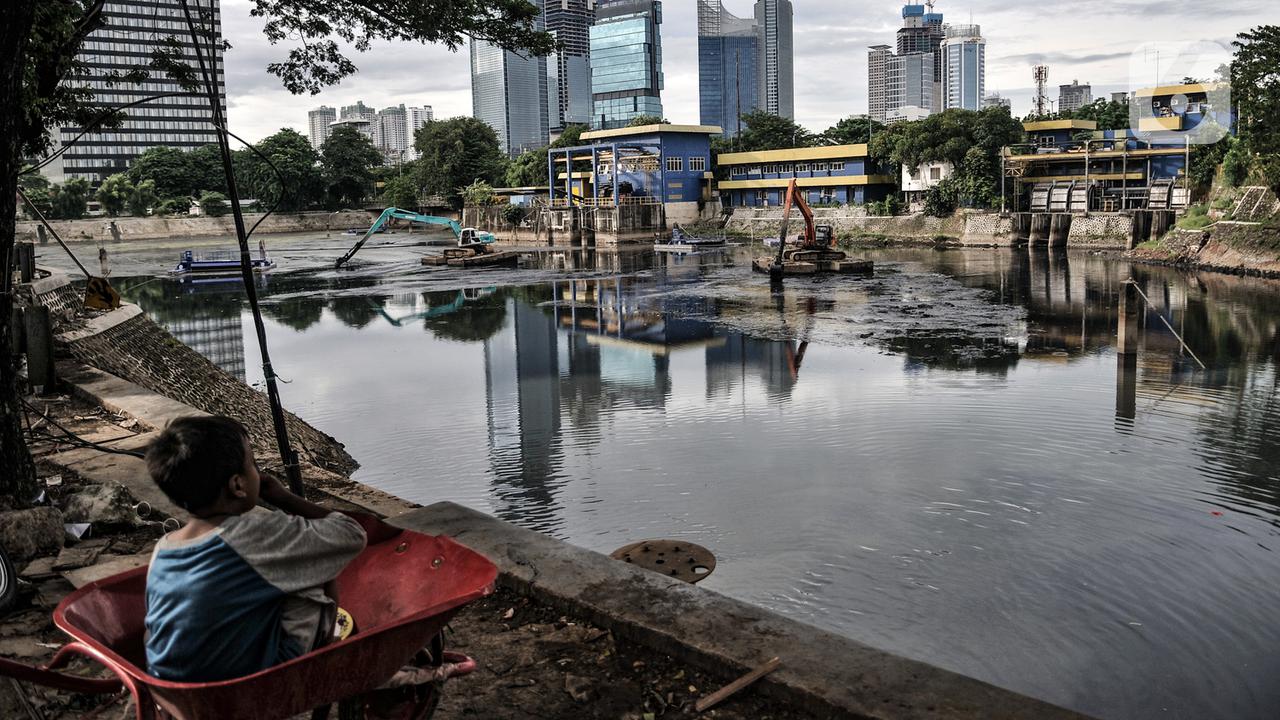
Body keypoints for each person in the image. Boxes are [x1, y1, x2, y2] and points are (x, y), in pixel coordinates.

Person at [143, 416, 366, 682]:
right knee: (316, 571)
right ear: (238, 485)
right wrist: (284, 498)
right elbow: (352, 534)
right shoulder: (258, 534)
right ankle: (323, 658)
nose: (259, 473)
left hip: (169, 683)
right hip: (245, 684)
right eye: (253, 464)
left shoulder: (165, 546)